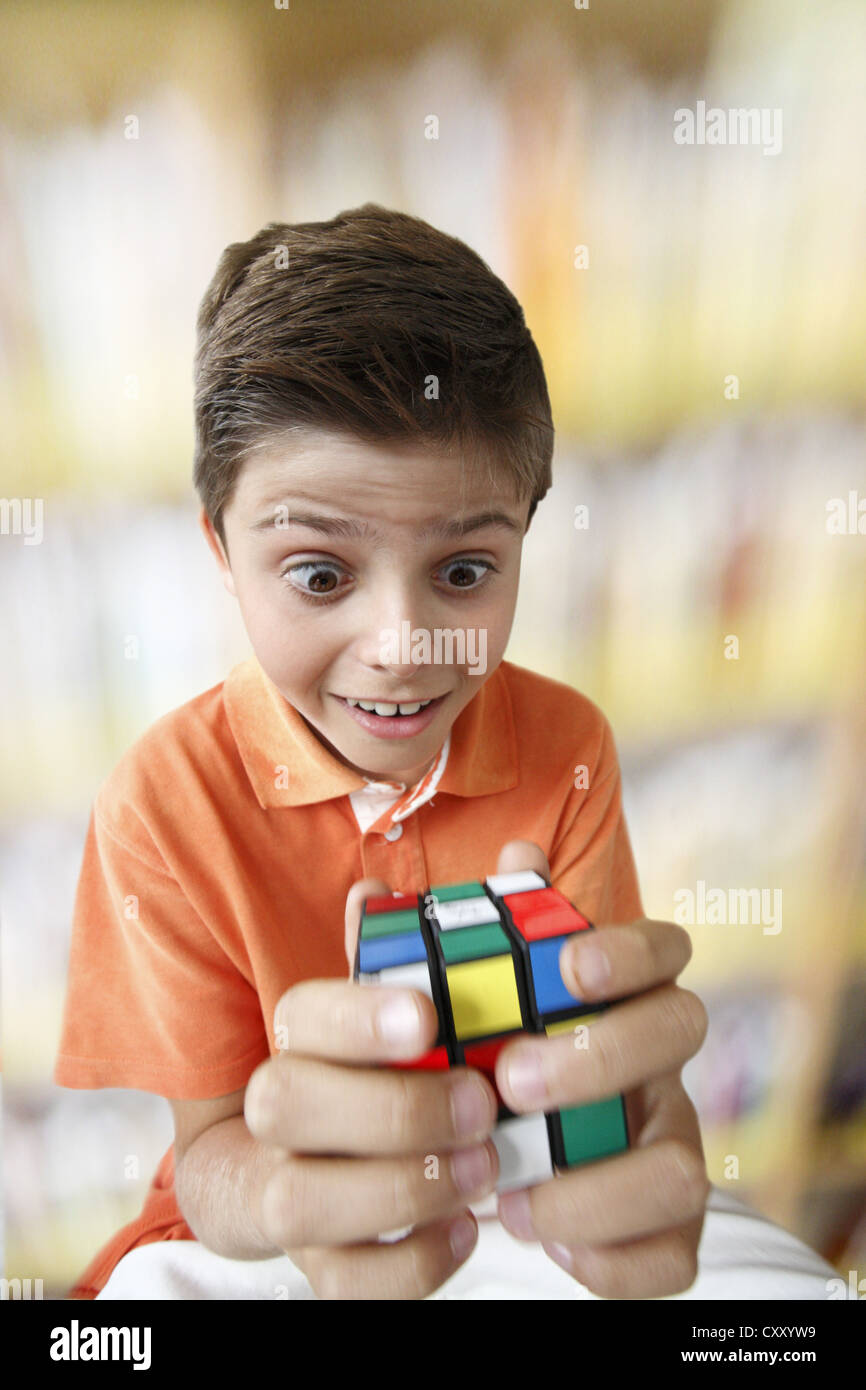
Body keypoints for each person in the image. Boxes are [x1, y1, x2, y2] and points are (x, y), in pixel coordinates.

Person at [54, 205, 836, 1301]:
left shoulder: (566, 747)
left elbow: (603, 1083)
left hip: (511, 1209)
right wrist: (287, 1195)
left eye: (464, 570)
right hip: (247, 1248)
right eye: (321, 574)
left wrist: (642, 1128)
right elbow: (210, 1153)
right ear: (222, 552)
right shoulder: (161, 798)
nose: (403, 648)